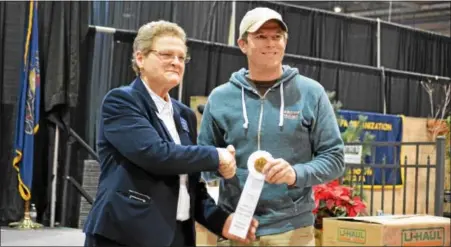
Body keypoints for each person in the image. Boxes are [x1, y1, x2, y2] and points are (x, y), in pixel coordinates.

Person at [83, 20, 258, 247]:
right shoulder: (122, 101)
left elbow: (189, 183)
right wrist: (216, 156)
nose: (176, 62)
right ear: (140, 58)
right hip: (125, 235)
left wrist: (221, 221)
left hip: (177, 236)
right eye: (167, 55)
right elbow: (155, 154)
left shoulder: (184, 114)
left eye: (181, 57)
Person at [198, 7, 345, 246]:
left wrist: (295, 174)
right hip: (236, 228)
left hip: (292, 230)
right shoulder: (220, 98)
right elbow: (202, 162)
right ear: (243, 44)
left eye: (277, 36)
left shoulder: (311, 93)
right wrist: (219, 165)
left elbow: (335, 158)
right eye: (260, 36)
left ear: (285, 42)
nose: (270, 43)